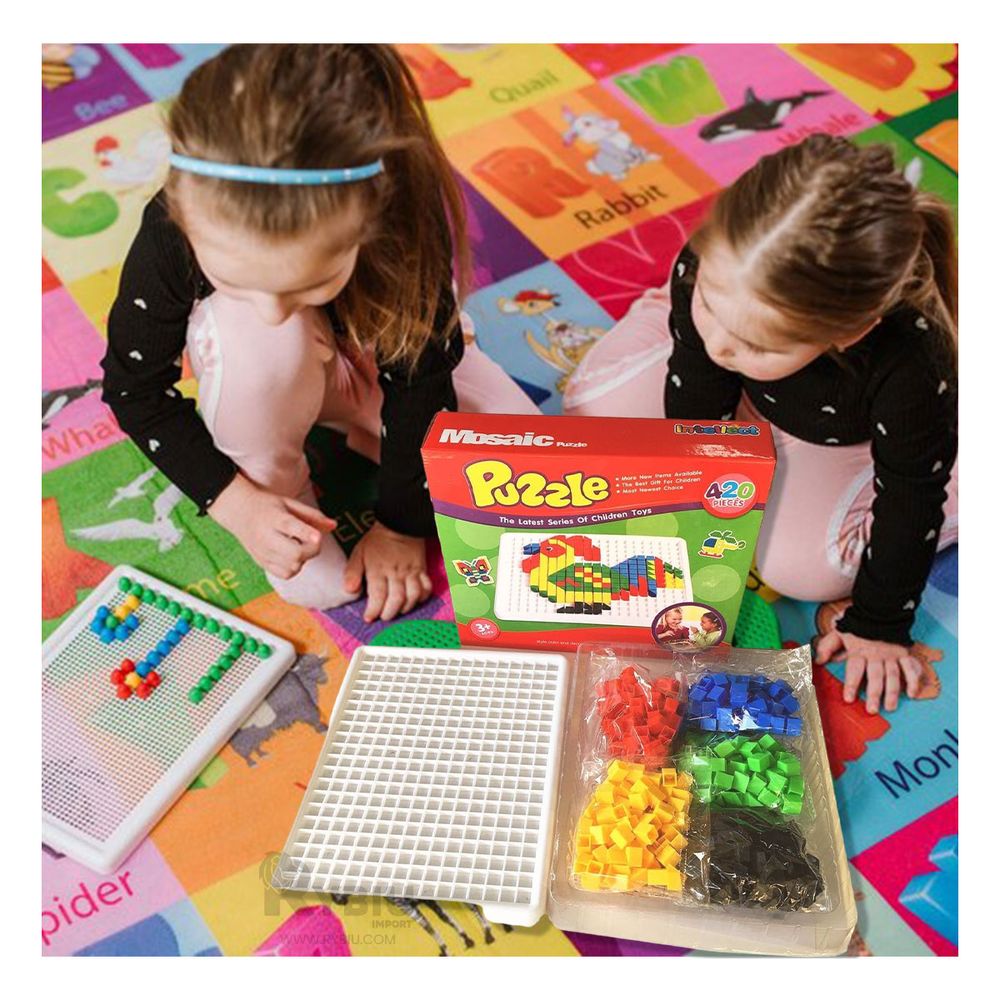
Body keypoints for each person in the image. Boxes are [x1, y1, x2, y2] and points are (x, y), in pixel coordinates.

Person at [102, 44, 538, 621]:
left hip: (373, 354)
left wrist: (402, 526)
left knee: (528, 473)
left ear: (369, 220)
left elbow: (421, 385)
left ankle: (364, 430)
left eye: (311, 283)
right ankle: (285, 488)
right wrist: (240, 505)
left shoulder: (400, 214)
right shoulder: (171, 232)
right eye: (236, 280)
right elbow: (134, 391)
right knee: (263, 339)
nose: (275, 311)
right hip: (265, 378)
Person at [564, 134, 957, 713]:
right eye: (711, 301)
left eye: (755, 342)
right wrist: (687, 486)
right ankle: (740, 317)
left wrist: (880, 624)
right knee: (591, 413)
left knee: (804, 569)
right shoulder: (705, 271)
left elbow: (910, 495)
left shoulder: (911, 367)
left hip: (843, 433)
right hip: (756, 387)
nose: (720, 344)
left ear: (848, 332)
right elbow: (698, 379)